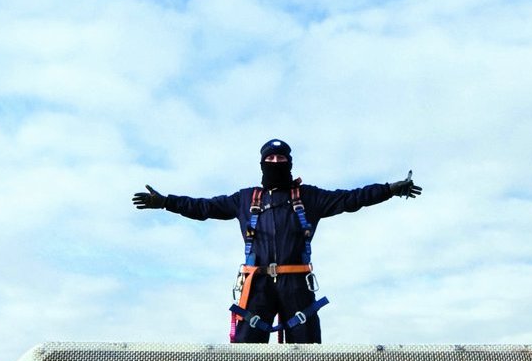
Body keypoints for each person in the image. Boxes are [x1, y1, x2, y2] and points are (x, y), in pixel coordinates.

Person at [132, 139, 422, 343]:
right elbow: (203, 207)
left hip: (297, 286)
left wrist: (390, 189)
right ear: (261, 164)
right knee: (245, 358)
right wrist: (165, 202)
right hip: (256, 286)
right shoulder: (245, 199)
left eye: (281, 159)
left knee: (307, 354)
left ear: (290, 163)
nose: (275, 163)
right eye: (270, 159)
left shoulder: (309, 197)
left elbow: (351, 199)